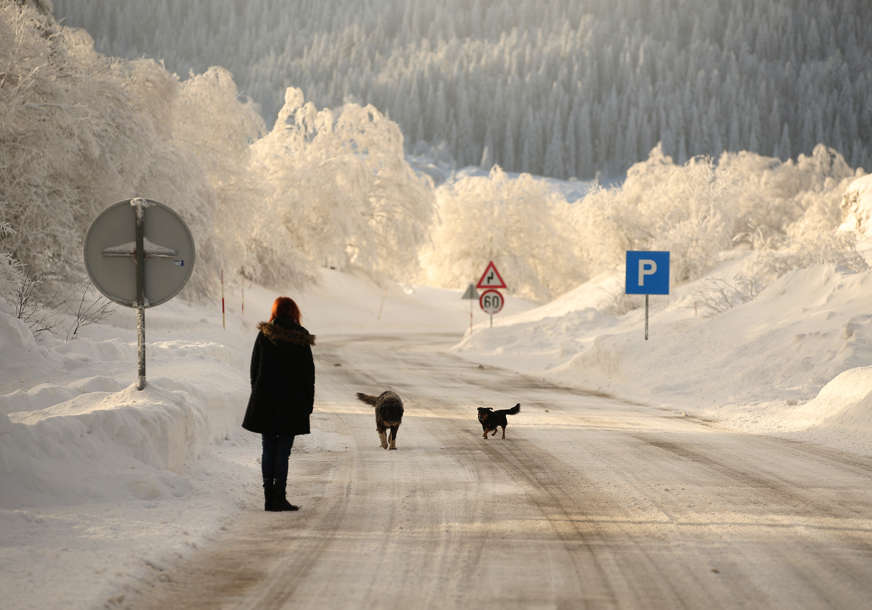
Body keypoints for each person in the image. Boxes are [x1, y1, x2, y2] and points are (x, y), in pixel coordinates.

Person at [242, 296, 315, 511]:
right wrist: (307, 404)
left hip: (266, 401)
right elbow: (308, 376)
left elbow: (254, 368)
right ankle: (279, 497)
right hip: (291, 404)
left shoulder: (265, 335)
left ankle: (268, 498)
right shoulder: (300, 338)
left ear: (275, 311)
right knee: (283, 451)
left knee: (268, 448)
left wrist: (258, 392)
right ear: (294, 313)